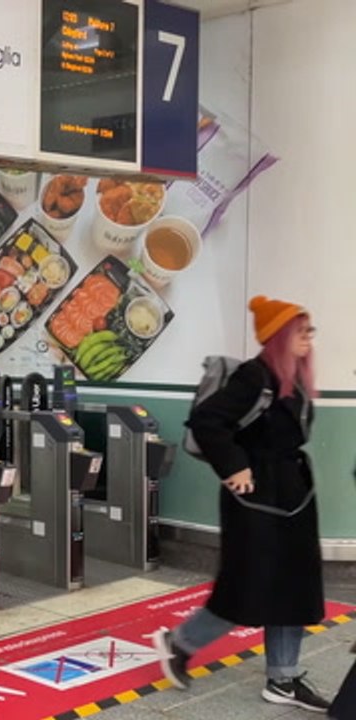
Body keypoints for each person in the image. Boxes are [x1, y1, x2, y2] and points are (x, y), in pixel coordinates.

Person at [154, 296, 328, 712]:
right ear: (281, 336)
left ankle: (282, 678)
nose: (309, 339)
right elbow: (206, 421)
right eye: (302, 332)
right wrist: (235, 467)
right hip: (254, 500)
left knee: (295, 586)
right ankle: (181, 642)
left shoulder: (294, 378)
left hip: (293, 496)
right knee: (248, 585)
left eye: (310, 331)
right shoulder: (254, 376)